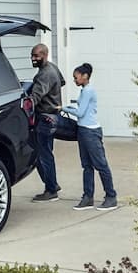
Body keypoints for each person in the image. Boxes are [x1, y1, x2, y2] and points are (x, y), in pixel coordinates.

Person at [60, 63, 117, 211]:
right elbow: (81, 110)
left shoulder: (88, 91)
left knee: (101, 165)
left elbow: (80, 113)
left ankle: (111, 196)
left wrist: (63, 108)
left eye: (76, 77)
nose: (74, 80)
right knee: (86, 165)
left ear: (85, 76)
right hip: (83, 130)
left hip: (91, 132)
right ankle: (88, 197)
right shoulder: (84, 90)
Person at [29, 43, 66, 202]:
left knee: (42, 155)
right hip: (53, 116)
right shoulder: (53, 68)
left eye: (36, 56)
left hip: (45, 118)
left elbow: (35, 97)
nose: (33, 59)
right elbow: (62, 82)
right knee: (44, 153)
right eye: (32, 56)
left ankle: (50, 190)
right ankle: (52, 184)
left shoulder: (45, 74)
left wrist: (25, 107)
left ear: (44, 55)